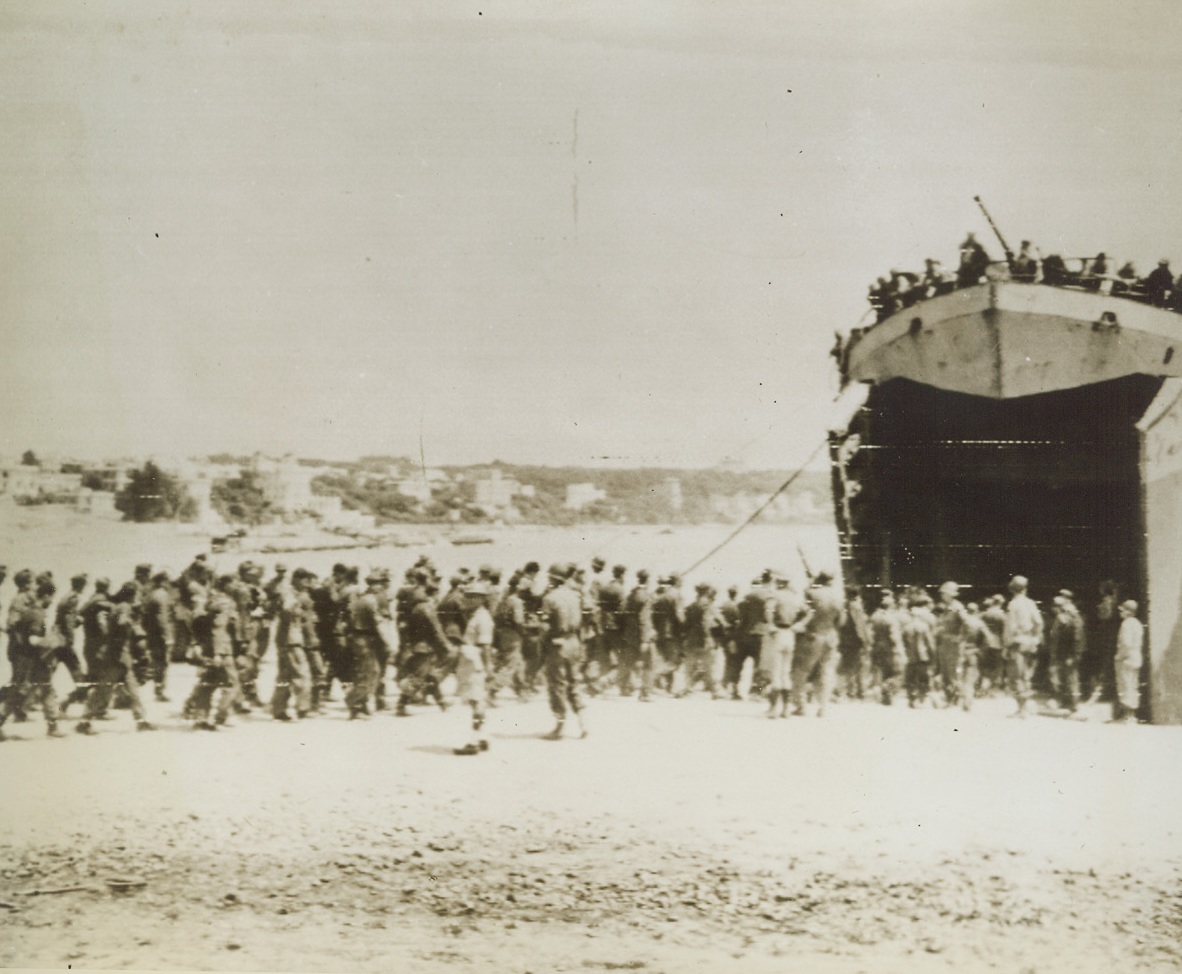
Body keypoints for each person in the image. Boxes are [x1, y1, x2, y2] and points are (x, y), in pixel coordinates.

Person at [75, 581, 155, 735]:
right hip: (115, 659)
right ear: (132, 594)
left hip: (121, 658)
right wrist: (132, 623)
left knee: (133, 691)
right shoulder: (124, 607)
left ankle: (141, 721)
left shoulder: (118, 606)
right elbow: (122, 622)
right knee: (102, 691)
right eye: (137, 594)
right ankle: (83, 722)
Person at [0, 575, 65, 739]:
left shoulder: (31, 611)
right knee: (20, 692)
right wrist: (53, 641)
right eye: (51, 597)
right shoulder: (37, 614)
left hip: (34, 659)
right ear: (46, 595)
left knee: (46, 689)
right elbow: (33, 639)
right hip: (30, 660)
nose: (51, 601)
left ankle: (53, 726)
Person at [789, 571, 846, 717]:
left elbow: (802, 613)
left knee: (800, 671)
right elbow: (841, 621)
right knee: (825, 672)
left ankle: (800, 706)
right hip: (830, 637)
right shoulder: (838, 597)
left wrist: (810, 586)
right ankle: (823, 707)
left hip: (812, 636)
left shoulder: (811, 593)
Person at [541, 564, 587, 739]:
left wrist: (543, 642)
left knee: (557, 685)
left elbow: (544, 627)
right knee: (574, 682)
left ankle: (560, 726)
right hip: (573, 642)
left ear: (553, 579)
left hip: (557, 644)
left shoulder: (549, 598)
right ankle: (583, 724)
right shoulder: (576, 596)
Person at [271, 568, 314, 721]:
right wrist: (298, 604)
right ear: (296, 579)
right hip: (291, 641)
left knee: (284, 676)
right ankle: (302, 708)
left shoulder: (294, 594)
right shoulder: (290, 594)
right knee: (302, 674)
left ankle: (278, 710)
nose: (307, 583)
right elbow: (287, 609)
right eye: (305, 580)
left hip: (286, 640)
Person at [1003, 575, 1044, 717]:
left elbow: (1010, 627)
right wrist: (1035, 639)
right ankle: (1025, 706)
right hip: (1029, 642)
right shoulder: (1030, 603)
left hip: (1017, 643)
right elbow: (1039, 623)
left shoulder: (1013, 604)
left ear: (1012, 589)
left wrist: (1006, 645)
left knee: (1015, 677)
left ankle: (1022, 709)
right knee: (1026, 676)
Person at [765, 575, 804, 717]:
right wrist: (799, 624)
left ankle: (774, 709)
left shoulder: (774, 595)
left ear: (778, 583)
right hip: (790, 633)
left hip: (778, 632)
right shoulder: (795, 597)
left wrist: (771, 625)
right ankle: (786, 708)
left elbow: (768, 611)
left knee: (776, 671)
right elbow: (808, 612)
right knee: (786, 672)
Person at [680, 583, 724, 699]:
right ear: (707, 591)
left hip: (691, 640)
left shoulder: (691, 606)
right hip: (704, 641)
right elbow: (709, 623)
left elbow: (685, 624)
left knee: (690, 668)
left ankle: (687, 689)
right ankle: (715, 691)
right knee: (710, 668)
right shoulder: (707, 606)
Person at [933, 581, 970, 707]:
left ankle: (957, 698)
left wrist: (960, 638)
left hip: (953, 646)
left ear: (951, 594)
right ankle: (950, 698)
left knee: (953, 673)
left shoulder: (957, 608)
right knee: (946, 674)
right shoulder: (946, 608)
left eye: (944, 593)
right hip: (944, 645)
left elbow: (967, 624)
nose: (942, 595)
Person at [1048, 590, 1086, 715]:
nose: (1054, 609)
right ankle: (1066, 702)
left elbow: (1077, 637)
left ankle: (1074, 705)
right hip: (1063, 653)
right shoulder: (1063, 617)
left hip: (1069, 654)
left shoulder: (1072, 617)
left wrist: (1074, 655)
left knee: (1071, 678)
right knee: (1063, 677)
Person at [868, 590, 904, 705]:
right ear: (889, 605)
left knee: (880, 671)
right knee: (894, 672)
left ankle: (882, 693)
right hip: (888, 649)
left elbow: (869, 632)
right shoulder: (891, 618)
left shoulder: (874, 616)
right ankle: (886, 691)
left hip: (876, 647)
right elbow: (894, 636)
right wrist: (899, 650)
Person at [902, 591, 936, 707]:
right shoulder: (924, 626)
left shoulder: (906, 627)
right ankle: (922, 697)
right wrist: (933, 656)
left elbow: (903, 643)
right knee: (923, 677)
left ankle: (912, 698)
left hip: (910, 657)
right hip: (923, 656)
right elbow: (930, 643)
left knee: (911, 678)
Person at [1113, 600, 1143, 722]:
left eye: (1123, 610)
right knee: (1133, 686)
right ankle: (1132, 715)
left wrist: (1119, 657)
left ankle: (1127, 716)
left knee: (1125, 686)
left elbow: (1126, 644)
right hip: (1135, 658)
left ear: (1128, 612)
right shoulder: (1137, 623)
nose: (1120, 612)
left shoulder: (1126, 624)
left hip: (1126, 660)